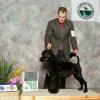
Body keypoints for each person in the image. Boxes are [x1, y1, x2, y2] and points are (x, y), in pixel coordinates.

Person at [44, 7, 78, 88]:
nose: (62, 19)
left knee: (63, 72)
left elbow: (72, 36)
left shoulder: (70, 24)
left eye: (64, 17)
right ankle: (46, 89)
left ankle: (62, 90)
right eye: (60, 16)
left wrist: (75, 48)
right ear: (57, 15)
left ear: (66, 16)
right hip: (54, 50)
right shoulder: (51, 23)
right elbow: (47, 35)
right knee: (51, 71)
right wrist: (48, 43)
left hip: (65, 51)